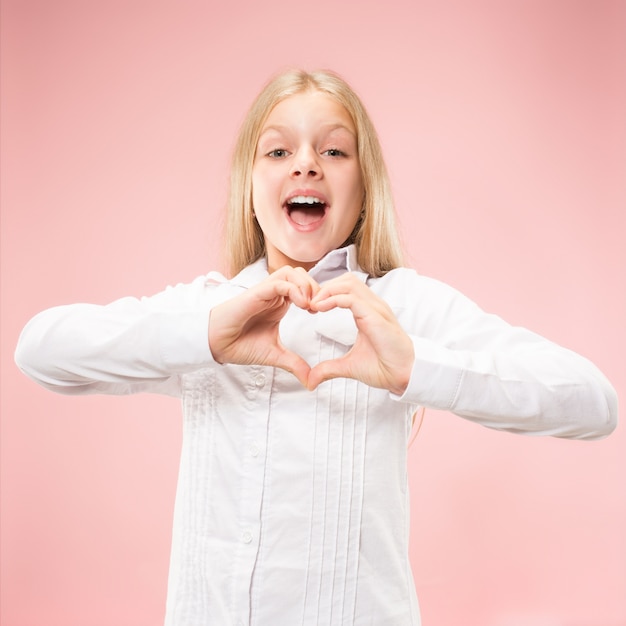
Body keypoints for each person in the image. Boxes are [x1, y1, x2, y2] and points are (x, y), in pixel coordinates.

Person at [14, 69, 618, 626]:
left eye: (333, 150)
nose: (306, 164)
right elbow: (40, 349)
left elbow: (593, 403)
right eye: (278, 150)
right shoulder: (210, 308)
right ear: (249, 185)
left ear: (364, 185)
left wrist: (413, 366)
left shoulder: (402, 304)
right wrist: (206, 338)